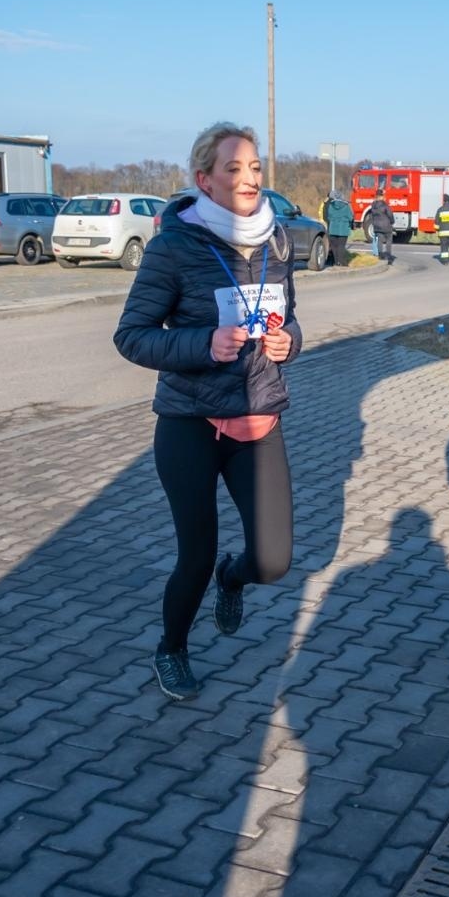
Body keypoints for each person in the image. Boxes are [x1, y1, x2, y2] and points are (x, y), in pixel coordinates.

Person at [113, 121, 301, 699]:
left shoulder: (278, 242)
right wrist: (202, 344)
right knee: (194, 554)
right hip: (190, 424)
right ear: (206, 181)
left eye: (255, 169)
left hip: (257, 421)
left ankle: (234, 576)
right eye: (234, 169)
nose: (249, 178)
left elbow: (290, 318)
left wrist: (290, 340)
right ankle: (171, 649)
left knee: (272, 560)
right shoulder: (174, 246)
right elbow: (132, 336)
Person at [322, 191, 353, 268]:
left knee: (334, 246)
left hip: (333, 228)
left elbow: (328, 217)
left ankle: (336, 262)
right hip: (343, 229)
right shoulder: (346, 206)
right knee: (341, 246)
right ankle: (342, 262)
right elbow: (350, 217)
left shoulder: (331, 205)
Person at [365, 195, 395, 264]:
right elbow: (390, 215)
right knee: (388, 241)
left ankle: (380, 256)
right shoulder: (385, 206)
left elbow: (371, 216)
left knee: (379, 241)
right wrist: (392, 222)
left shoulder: (373, 207)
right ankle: (389, 257)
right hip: (386, 226)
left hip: (377, 227)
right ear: (382, 198)